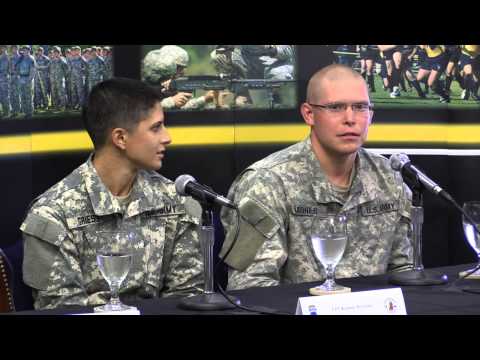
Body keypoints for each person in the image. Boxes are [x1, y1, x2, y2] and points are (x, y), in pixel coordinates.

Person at [220, 64, 413, 290]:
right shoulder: (267, 181)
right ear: (309, 114)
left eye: (360, 107)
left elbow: (404, 272)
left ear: (371, 115)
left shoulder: (389, 177)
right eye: (336, 107)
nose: (350, 118)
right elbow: (250, 285)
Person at [20, 77, 204, 309]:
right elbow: (64, 309)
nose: (167, 137)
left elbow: (186, 300)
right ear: (120, 138)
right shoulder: (52, 214)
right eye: (156, 127)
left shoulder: (179, 201)